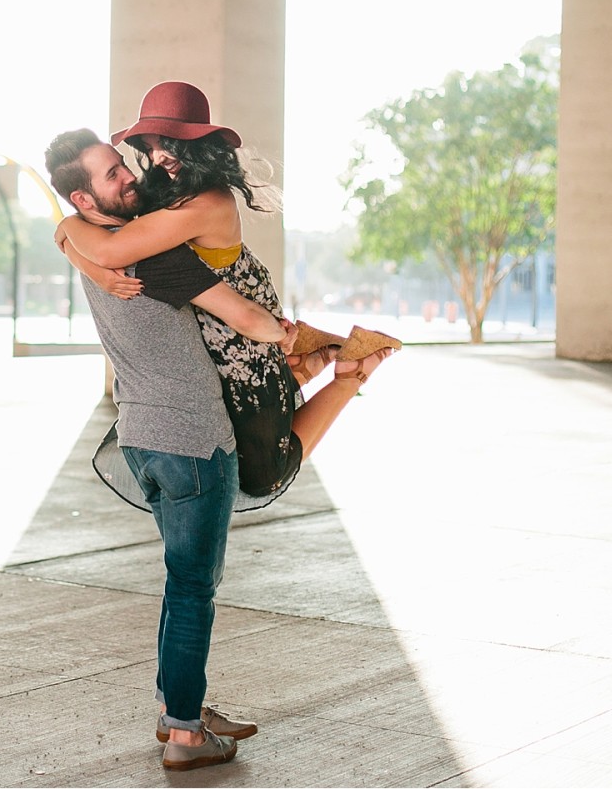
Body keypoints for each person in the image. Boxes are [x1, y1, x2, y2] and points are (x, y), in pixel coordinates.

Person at [44, 127, 288, 771]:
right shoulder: (155, 256)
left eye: (123, 164)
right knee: (192, 589)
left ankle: (177, 705)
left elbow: (69, 231)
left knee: (184, 580)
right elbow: (251, 322)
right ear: (82, 195)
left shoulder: (95, 241)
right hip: (191, 437)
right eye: (111, 174)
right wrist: (285, 332)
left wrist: (70, 238)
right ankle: (184, 732)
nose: (128, 175)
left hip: (142, 438)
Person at [57, 81, 396, 509]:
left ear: (198, 144)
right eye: (150, 145)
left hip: (241, 328)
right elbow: (101, 240)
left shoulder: (204, 203)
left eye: (169, 143)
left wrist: (68, 231)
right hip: (223, 326)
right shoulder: (165, 189)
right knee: (242, 425)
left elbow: (107, 249)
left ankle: (351, 372)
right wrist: (76, 243)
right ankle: (313, 357)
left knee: (263, 474)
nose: (158, 156)